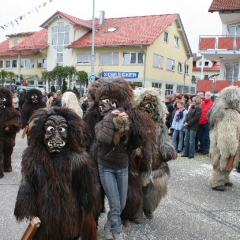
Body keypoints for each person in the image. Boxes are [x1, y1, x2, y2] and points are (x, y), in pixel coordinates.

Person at [208, 86, 240, 191]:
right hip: (225, 143)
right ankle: (216, 182)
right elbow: (227, 131)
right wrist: (231, 146)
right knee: (222, 161)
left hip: (226, 141)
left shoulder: (224, 111)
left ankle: (225, 179)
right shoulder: (228, 113)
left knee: (228, 162)